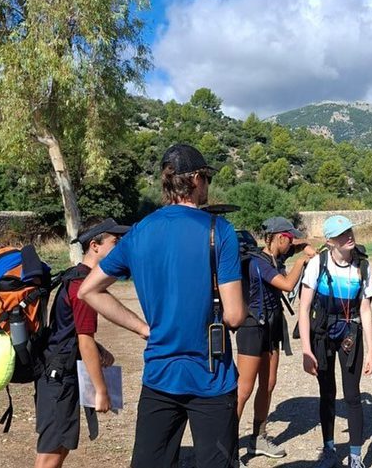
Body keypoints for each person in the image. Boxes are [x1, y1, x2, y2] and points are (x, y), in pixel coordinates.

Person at [78, 143, 247, 468]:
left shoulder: (139, 232)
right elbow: (235, 315)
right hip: (211, 380)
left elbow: (89, 290)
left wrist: (143, 328)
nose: (208, 187)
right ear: (197, 179)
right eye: (207, 179)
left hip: (159, 376)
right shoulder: (219, 231)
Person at [34, 218, 129, 468]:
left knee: (61, 446)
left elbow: (68, 329)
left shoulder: (75, 276)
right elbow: (84, 341)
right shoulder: (82, 286)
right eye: (115, 242)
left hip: (56, 370)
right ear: (95, 246)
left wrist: (99, 349)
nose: (120, 248)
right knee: (51, 454)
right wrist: (101, 391)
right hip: (58, 377)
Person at [236, 217, 317, 460]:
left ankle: (258, 438)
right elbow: (287, 284)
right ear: (280, 237)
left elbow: (300, 245)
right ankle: (226, 439)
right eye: (289, 239)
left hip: (272, 326)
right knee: (244, 388)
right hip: (252, 327)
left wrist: (304, 246)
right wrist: (303, 260)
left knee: (268, 384)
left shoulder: (276, 257)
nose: (291, 243)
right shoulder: (258, 263)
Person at [298, 215, 372, 468]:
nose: (349, 236)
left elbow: (365, 309)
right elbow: (304, 307)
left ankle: (355, 456)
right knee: (327, 392)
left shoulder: (362, 265)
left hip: (351, 331)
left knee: (352, 396)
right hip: (322, 331)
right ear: (330, 241)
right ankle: (329, 449)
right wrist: (306, 350)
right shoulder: (317, 264)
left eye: (350, 231)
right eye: (342, 234)